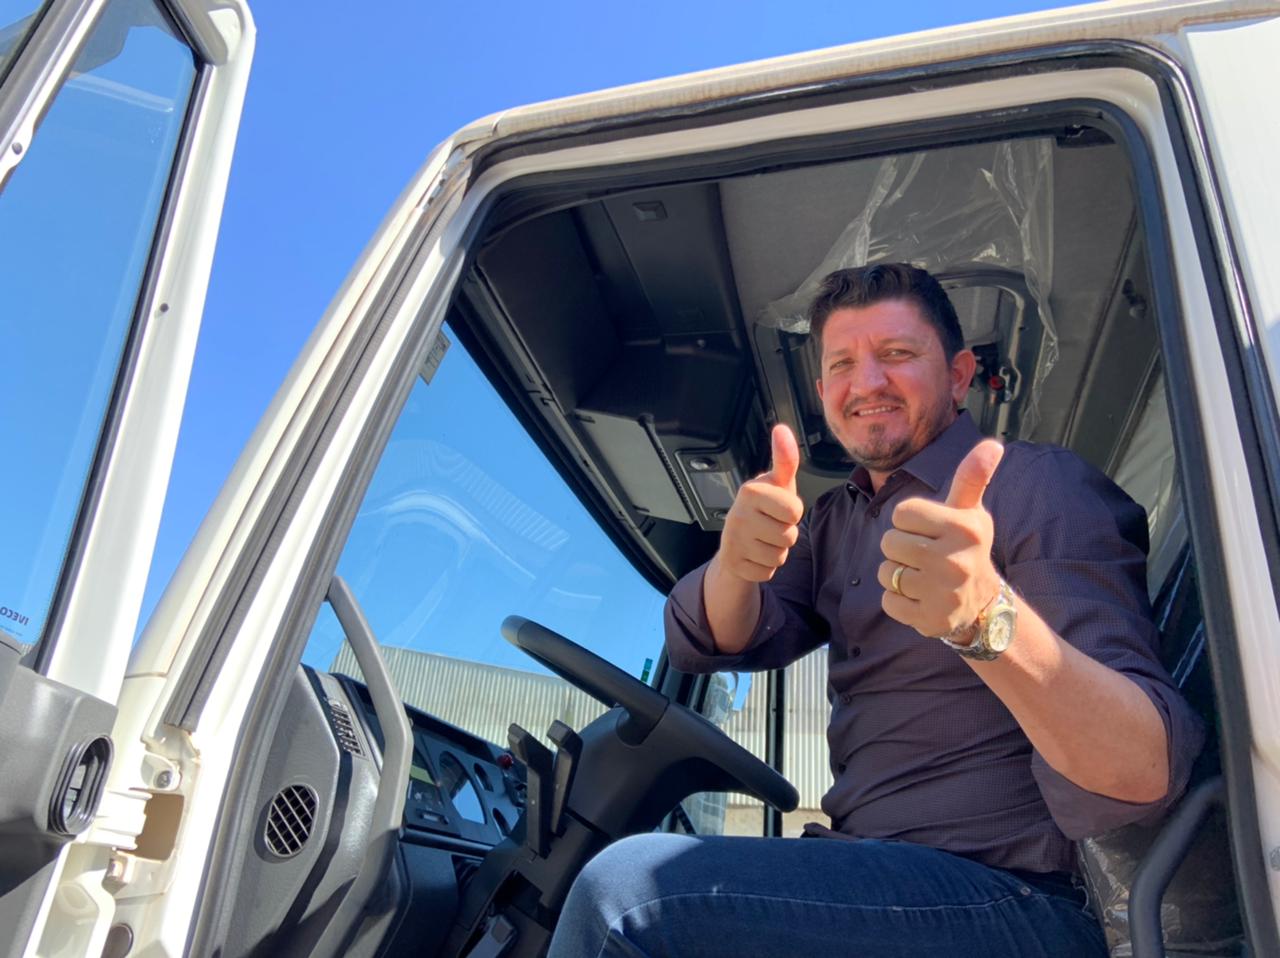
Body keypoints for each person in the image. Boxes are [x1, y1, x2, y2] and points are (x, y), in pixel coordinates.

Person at [546, 263, 1204, 957]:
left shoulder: (1038, 485)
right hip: (869, 874)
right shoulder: (834, 519)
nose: (866, 383)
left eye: (896, 353)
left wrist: (986, 621)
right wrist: (733, 567)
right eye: (842, 364)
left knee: (625, 897)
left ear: (958, 376)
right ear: (822, 392)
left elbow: (1140, 771)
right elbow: (707, 642)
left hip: (1015, 897)